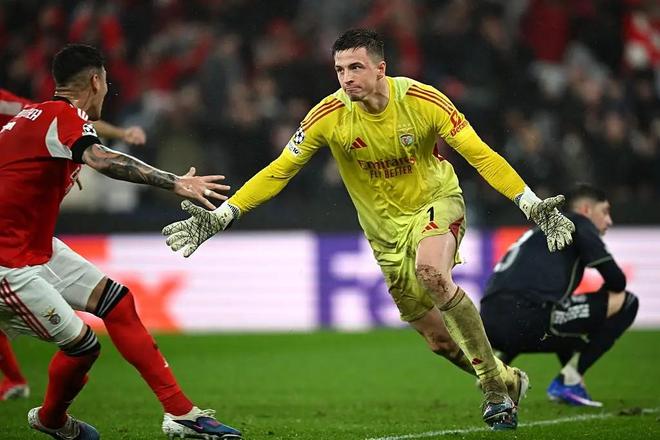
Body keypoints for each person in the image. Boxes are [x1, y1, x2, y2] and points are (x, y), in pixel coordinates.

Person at [162, 29, 575, 430]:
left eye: (355, 67)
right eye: (340, 70)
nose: (346, 78)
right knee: (439, 342)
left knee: (432, 273)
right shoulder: (328, 115)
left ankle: (493, 392)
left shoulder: (422, 101)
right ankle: (506, 377)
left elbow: (481, 156)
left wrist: (530, 203)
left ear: (381, 68)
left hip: (435, 202)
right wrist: (225, 214)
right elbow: (280, 170)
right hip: (383, 235)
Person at [0, 44, 242, 439]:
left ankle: (181, 413)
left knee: (118, 303)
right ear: (96, 81)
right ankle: (51, 420)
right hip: (7, 262)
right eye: (107, 82)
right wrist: (175, 182)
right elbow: (102, 160)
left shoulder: (33, 117)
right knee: (83, 346)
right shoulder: (64, 117)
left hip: (33, 246)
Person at [0, 87, 147, 403]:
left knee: (101, 322)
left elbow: (62, 124)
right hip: (10, 248)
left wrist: (65, 155)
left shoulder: (18, 108)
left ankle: (21, 386)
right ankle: (31, 396)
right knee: (82, 345)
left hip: (19, 235)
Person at [480, 183, 638, 407]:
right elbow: (617, 281)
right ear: (586, 210)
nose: (609, 221)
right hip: (527, 317)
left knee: (565, 323)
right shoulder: (578, 222)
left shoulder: (538, 231)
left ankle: (501, 368)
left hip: (488, 325)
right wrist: (602, 299)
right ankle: (568, 381)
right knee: (627, 301)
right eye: (604, 212)